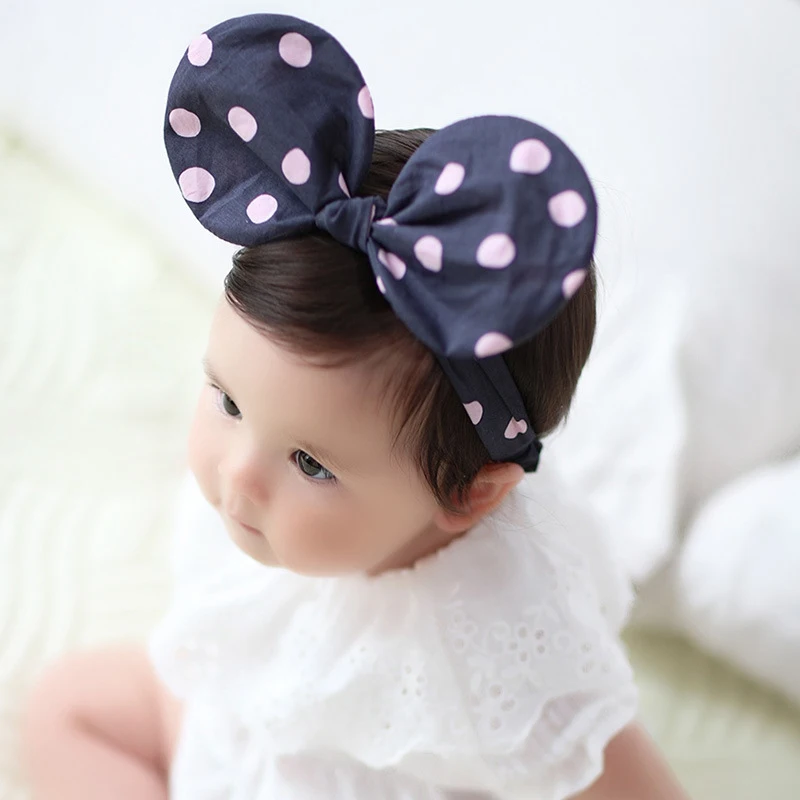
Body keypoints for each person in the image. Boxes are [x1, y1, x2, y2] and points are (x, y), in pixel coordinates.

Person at [22, 13, 690, 800]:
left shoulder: (506, 643)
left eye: (311, 463)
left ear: (468, 494)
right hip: (231, 727)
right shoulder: (273, 509)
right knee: (63, 709)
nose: (237, 478)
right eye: (229, 401)